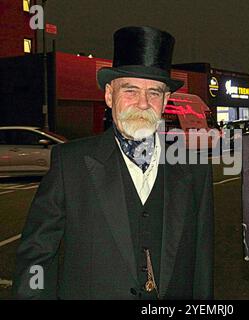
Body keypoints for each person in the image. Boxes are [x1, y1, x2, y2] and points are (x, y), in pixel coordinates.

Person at [13, 26, 214, 300]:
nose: (143, 103)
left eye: (154, 93)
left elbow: (202, 265)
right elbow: (36, 255)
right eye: (130, 90)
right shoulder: (69, 164)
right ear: (109, 95)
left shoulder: (194, 167)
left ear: (166, 100)